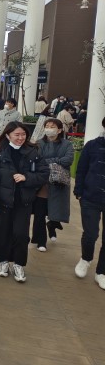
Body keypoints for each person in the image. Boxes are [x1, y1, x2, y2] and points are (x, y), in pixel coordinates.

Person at [0, 121, 48, 282]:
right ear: (8, 135)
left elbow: (44, 173)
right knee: (3, 233)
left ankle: (19, 264)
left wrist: (27, 177)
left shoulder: (33, 152)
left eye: (23, 135)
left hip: (23, 202)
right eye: (17, 135)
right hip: (3, 201)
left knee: (20, 234)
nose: (20, 138)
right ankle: (3, 261)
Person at [31, 118, 73, 252]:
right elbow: (37, 160)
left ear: (59, 130)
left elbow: (68, 160)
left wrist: (49, 161)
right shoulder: (39, 143)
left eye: (52, 126)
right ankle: (41, 240)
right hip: (42, 183)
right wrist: (56, 161)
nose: (49, 128)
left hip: (58, 183)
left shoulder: (67, 144)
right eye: (47, 126)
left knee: (55, 212)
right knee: (39, 213)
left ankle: (52, 225)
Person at [73, 116, 105, 290]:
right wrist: (79, 191)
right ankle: (86, 259)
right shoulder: (92, 145)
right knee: (91, 233)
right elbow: (81, 169)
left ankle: (102, 272)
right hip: (90, 196)